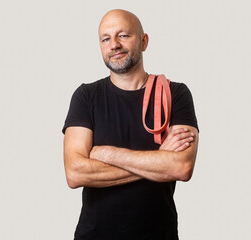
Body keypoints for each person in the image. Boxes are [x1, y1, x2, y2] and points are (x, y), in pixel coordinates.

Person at [62, 9, 199, 240]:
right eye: (106, 39)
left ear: (144, 41)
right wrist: (158, 160)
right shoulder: (86, 96)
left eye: (123, 35)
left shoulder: (175, 94)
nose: (114, 44)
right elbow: (75, 173)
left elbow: (181, 168)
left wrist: (106, 153)